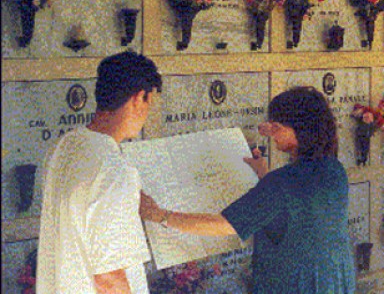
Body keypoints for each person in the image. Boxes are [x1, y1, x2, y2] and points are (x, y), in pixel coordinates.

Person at [142, 86, 356, 293]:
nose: (272, 134)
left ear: (300, 130)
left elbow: (226, 225)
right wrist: (265, 175)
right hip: (334, 279)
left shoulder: (281, 183)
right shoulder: (333, 170)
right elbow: (297, 204)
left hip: (296, 283)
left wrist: (161, 215)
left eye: (277, 127)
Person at [36, 51, 162, 294]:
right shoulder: (114, 169)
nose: (147, 113)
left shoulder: (64, 146)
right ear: (139, 99)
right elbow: (109, 278)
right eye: (149, 102)